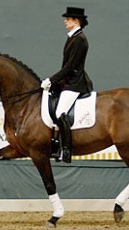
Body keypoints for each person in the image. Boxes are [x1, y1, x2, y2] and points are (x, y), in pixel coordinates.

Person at [41, 7, 93, 163]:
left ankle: (66, 150)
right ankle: (55, 144)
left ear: (76, 21)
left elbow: (70, 66)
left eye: (68, 19)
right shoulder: (72, 37)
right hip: (67, 82)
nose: (65, 21)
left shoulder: (80, 40)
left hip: (75, 83)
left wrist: (51, 80)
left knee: (60, 113)